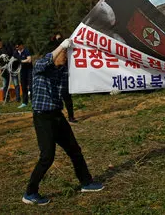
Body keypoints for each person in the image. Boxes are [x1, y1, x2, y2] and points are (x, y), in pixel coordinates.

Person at [23, 38, 103, 205]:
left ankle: (86, 182)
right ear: (57, 53)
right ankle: (30, 193)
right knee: (47, 156)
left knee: (75, 150)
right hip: (43, 118)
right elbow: (43, 62)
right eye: (64, 55)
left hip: (57, 116)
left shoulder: (63, 71)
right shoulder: (41, 68)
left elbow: (85, 77)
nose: (66, 58)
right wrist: (61, 46)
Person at [46, 33, 77, 123]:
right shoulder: (54, 48)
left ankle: (71, 116)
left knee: (67, 96)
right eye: (57, 38)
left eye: (60, 38)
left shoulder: (66, 48)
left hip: (64, 72)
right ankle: (57, 116)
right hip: (55, 73)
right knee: (55, 97)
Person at [0, 37, 21, 103]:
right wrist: (3, 64)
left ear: (1, 42)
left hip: (13, 67)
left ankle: (18, 99)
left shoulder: (8, 46)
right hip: (4, 70)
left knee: (16, 83)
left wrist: (11, 59)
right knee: (5, 84)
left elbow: (15, 52)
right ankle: (5, 99)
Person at [14, 40, 33, 109]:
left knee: (31, 86)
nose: (17, 48)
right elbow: (13, 60)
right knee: (24, 87)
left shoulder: (26, 51)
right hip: (22, 71)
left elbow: (29, 60)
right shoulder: (15, 52)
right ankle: (25, 102)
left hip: (29, 70)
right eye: (16, 47)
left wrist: (22, 61)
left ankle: (32, 101)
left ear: (21, 45)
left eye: (18, 46)